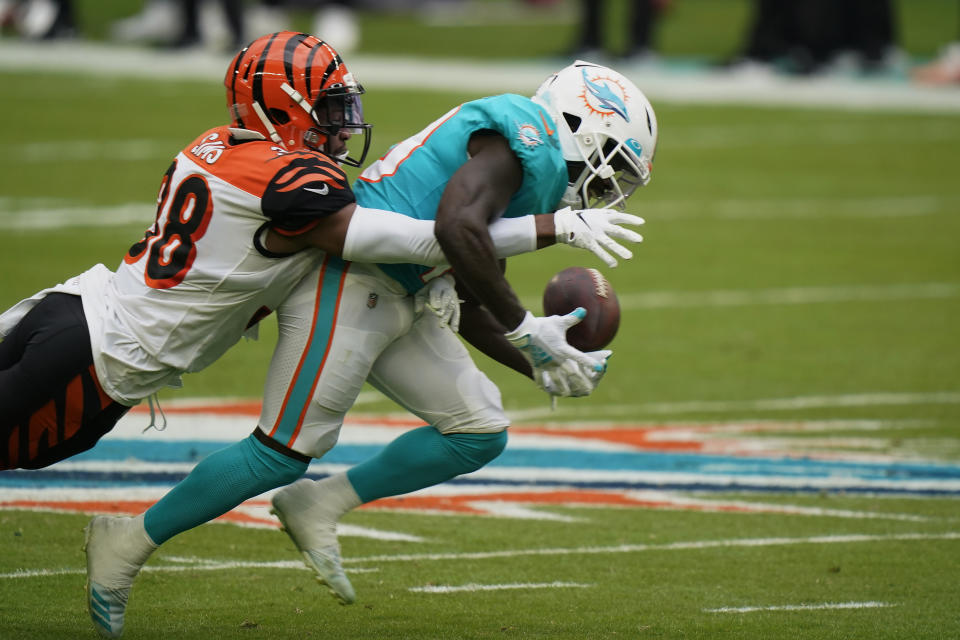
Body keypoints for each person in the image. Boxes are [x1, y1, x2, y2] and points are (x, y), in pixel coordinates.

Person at [80, 58, 657, 635]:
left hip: (399, 292)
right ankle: (126, 540)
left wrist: (541, 359)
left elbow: (472, 288)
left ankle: (318, 503)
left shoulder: (536, 167)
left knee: (478, 429)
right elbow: (457, 230)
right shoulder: (524, 141)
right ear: (585, 125)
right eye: (616, 166)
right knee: (281, 450)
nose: (609, 187)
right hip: (351, 279)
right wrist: (526, 329)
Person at [0, 33, 623, 475]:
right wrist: (551, 227)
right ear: (281, 108)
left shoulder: (215, 145)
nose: (345, 127)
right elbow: (423, 238)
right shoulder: (292, 186)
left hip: (70, 305)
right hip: (102, 361)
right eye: (330, 110)